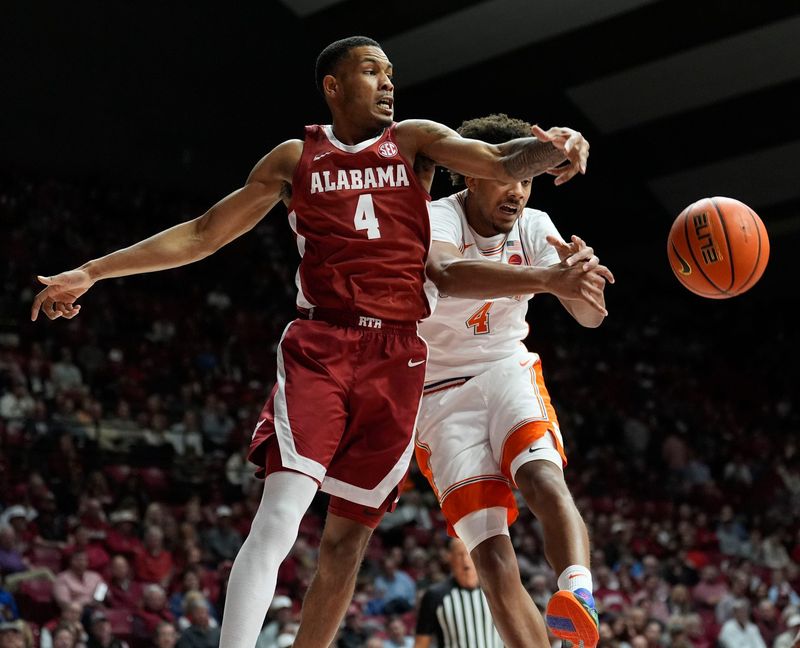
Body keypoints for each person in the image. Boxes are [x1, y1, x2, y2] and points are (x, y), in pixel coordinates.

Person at [31, 35, 590, 648]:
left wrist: (551, 147)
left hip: (400, 359)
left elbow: (500, 162)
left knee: (347, 543)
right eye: (372, 71)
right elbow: (200, 235)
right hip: (323, 346)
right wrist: (93, 270)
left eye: (391, 73)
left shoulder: (415, 142)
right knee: (280, 513)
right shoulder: (294, 158)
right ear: (333, 85)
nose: (387, 83)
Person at [417, 113, 613, 648]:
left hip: (505, 367)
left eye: (528, 181)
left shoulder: (535, 224)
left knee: (544, 479)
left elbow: (591, 318)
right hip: (435, 396)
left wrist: (582, 281)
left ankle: (578, 594)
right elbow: (448, 276)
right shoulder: (436, 219)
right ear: (473, 173)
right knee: (492, 557)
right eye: (510, 177)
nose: (520, 193)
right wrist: (550, 279)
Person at [414, 538, 502, 648]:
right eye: (459, 555)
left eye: (470, 554)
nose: (465, 561)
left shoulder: (497, 591)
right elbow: (421, 644)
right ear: (449, 557)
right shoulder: (435, 596)